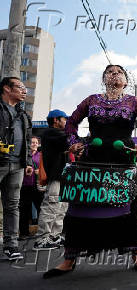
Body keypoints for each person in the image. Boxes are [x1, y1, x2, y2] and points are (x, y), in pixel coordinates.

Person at [43, 64, 137, 278]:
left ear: (126, 80)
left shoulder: (134, 102)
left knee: (127, 206)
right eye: (110, 72)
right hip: (92, 158)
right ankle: (69, 260)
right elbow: (70, 125)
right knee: (81, 205)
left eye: (119, 72)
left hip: (122, 158)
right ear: (104, 78)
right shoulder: (91, 100)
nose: (114, 74)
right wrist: (74, 143)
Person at [0, 77, 33, 260]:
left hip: (18, 166)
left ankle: (11, 246)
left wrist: (27, 162)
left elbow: (28, 141)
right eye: (20, 87)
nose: (24, 90)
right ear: (6, 88)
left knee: (12, 206)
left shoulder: (23, 114)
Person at [33, 110, 70, 250]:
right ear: (55, 120)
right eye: (64, 119)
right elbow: (67, 140)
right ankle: (42, 238)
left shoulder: (59, 134)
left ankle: (54, 236)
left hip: (62, 176)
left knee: (61, 207)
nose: (66, 122)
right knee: (51, 206)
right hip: (55, 175)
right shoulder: (50, 133)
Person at [18, 136, 43, 239]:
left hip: (37, 186)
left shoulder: (41, 155)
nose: (34, 144)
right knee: (24, 210)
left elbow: (45, 169)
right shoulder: (24, 155)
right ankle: (24, 233)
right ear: (29, 144)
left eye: (36, 143)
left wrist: (39, 172)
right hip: (24, 185)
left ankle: (42, 232)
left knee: (40, 209)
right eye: (32, 142)